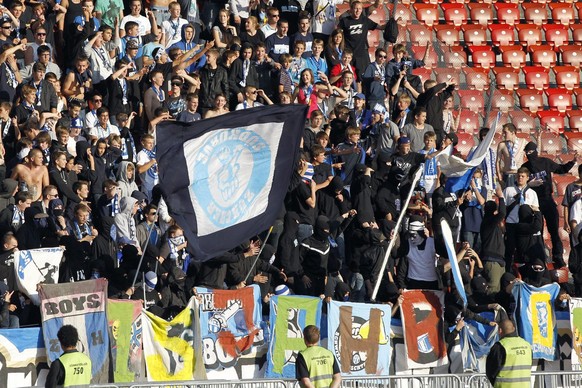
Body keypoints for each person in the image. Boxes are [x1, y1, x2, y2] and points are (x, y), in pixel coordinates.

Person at [486, 319, 532, 388]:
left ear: (500, 331)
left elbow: (491, 371)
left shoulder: (500, 346)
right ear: (513, 328)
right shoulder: (527, 345)